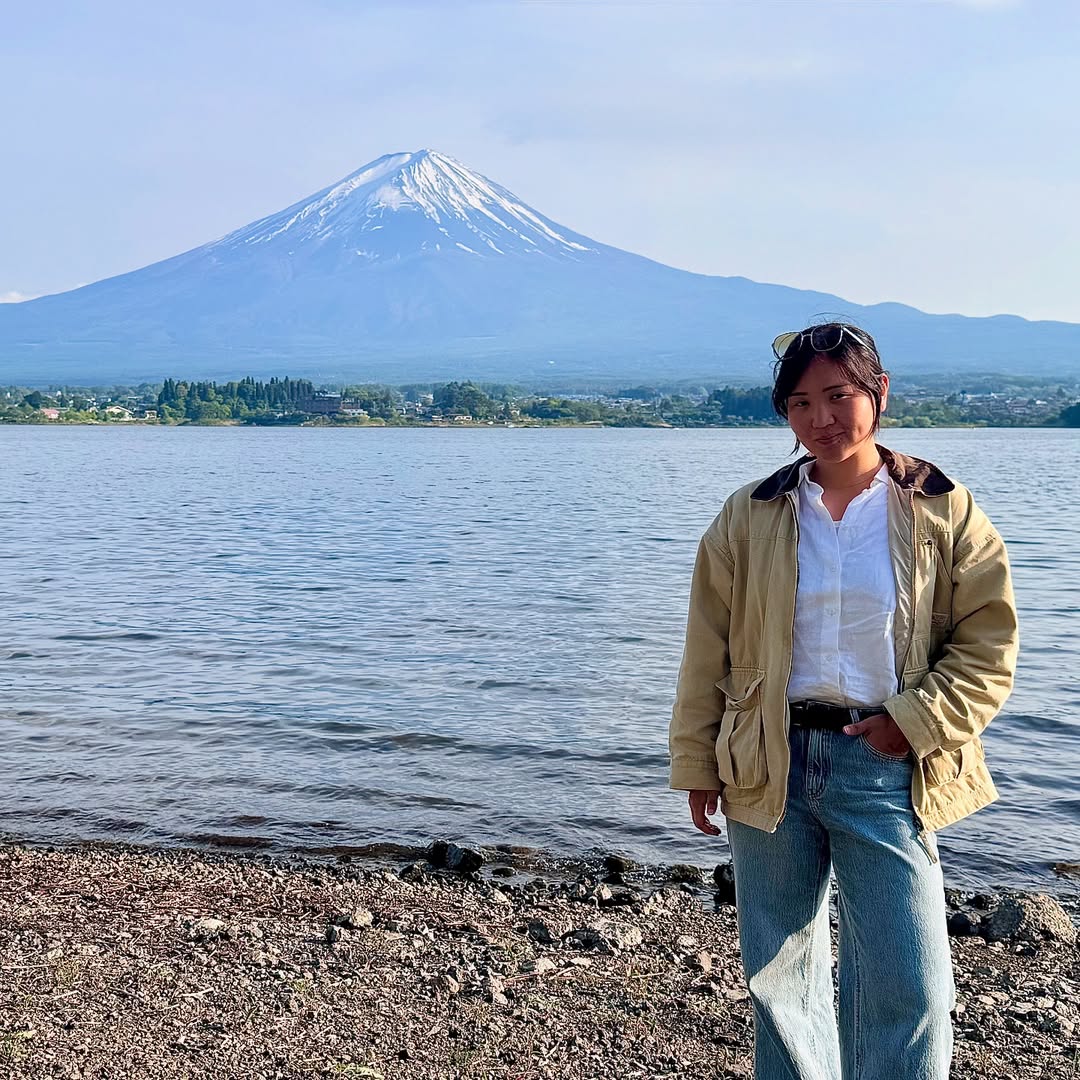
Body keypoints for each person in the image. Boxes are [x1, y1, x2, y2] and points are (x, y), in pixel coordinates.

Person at [668, 322, 1018, 1080]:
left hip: (884, 761)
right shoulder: (750, 513)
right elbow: (708, 649)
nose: (820, 418)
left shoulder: (941, 508)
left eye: (838, 395)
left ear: (878, 393)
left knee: (909, 979)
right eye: (799, 403)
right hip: (768, 759)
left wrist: (913, 722)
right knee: (779, 978)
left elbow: (990, 645)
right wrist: (698, 762)